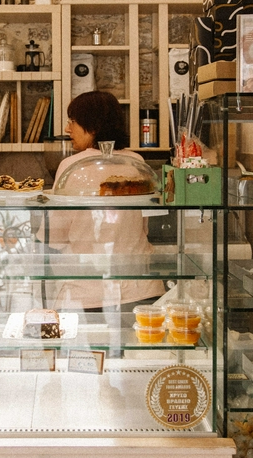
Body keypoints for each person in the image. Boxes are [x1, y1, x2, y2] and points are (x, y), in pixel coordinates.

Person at [41, 90, 164, 320]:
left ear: (94, 125)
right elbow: (144, 228)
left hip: (87, 294)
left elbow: (54, 238)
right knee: (142, 354)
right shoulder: (137, 162)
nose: (68, 129)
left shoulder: (71, 166)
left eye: (73, 121)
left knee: (89, 356)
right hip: (142, 290)